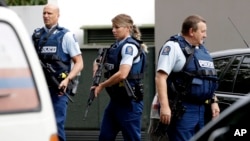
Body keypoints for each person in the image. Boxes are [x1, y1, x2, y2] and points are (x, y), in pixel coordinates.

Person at [149, 15, 220, 141]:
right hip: (183, 109)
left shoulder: (202, 50)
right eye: (203, 31)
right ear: (192, 31)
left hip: (202, 109)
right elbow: (160, 77)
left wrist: (213, 101)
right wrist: (165, 107)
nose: (205, 35)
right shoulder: (173, 47)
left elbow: (207, 79)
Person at [32, 3, 84, 141]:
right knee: (38, 127)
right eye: (44, 13)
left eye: (49, 13)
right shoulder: (37, 35)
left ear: (57, 15)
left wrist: (67, 79)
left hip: (58, 89)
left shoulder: (66, 35)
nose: (46, 16)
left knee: (56, 126)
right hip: (40, 89)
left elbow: (79, 63)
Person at [92, 13, 148, 141]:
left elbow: (123, 74)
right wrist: (96, 73)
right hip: (116, 101)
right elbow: (97, 61)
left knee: (132, 138)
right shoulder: (115, 46)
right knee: (105, 137)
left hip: (130, 102)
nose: (113, 30)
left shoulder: (129, 47)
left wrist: (102, 85)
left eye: (117, 27)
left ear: (128, 28)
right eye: (113, 27)